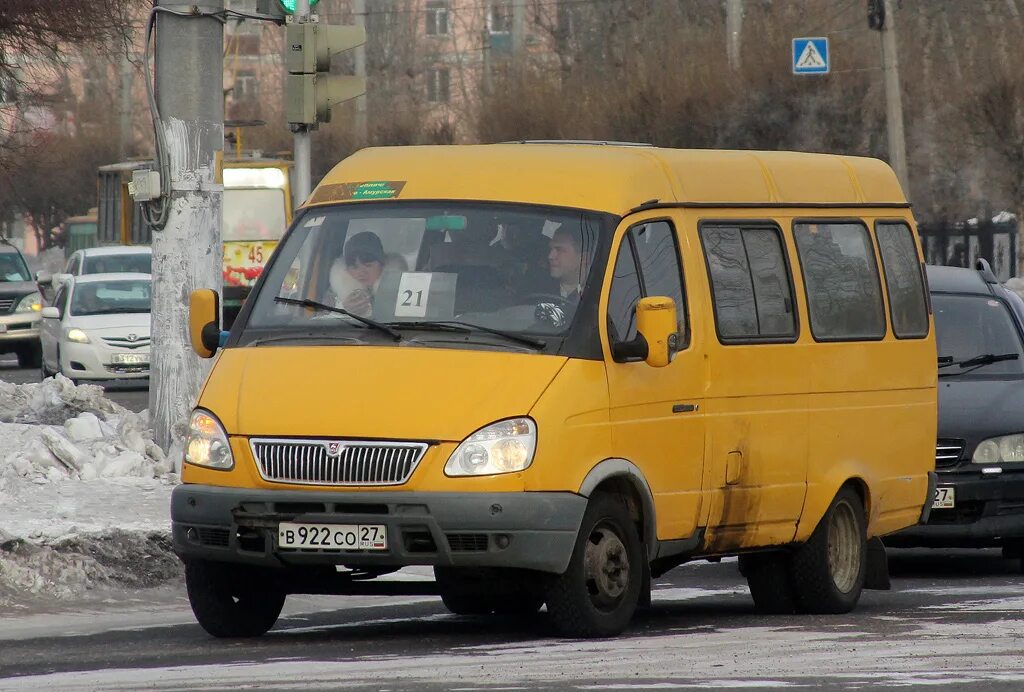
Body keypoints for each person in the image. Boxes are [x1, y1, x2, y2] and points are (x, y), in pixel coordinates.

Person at [327, 231, 385, 317]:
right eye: (354, 267)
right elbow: (322, 322)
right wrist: (344, 311)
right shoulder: (333, 297)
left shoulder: (400, 292)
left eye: (368, 265)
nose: (361, 273)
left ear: (381, 264)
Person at [548, 226, 587, 302]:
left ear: (583, 258)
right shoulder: (537, 287)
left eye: (559, 250)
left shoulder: (602, 293)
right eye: (550, 249)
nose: (550, 256)